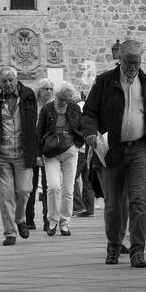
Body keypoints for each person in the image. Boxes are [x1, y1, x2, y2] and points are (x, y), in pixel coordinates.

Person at [80, 38, 146, 268]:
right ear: (120, 60)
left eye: (137, 62)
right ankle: (114, 244)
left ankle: (137, 250)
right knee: (113, 204)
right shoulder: (104, 82)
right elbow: (89, 113)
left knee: (138, 200)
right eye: (129, 63)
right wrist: (91, 133)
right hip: (111, 150)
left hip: (139, 149)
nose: (133, 67)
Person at [0, 66, 39, 246]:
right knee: (5, 195)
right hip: (3, 154)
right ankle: (10, 232)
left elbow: (33, 125)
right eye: (3, 81)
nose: (7, 84)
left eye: (10, 80)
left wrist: (36, 151)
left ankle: (20, 218)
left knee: (24, 191)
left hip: (24, 153)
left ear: (16, 80)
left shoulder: (29, 95)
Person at [37, 80, 85, 236]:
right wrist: (38, 154)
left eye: (66, 99)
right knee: (53, 187)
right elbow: (39, 131)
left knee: (68, 189)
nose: (63, 102)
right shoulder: (47, 109)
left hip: (70, 151)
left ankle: (65, 222)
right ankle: (52, 220)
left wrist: (77, 144)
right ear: (56, 96)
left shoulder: (74, 108)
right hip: (51, 152)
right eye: (61, 99)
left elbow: (81, 126)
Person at [25, 79, 54, 232]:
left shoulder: (53, 107)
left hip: (48, 150)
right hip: (32, 149)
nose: (48, 91)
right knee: (31, 186)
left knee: (48, 186)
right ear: (39, 91)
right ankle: (29, 218)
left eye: (50, 88)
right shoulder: (32, 108)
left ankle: (47, 220)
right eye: (45, 88)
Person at [72, 80, 96, 218]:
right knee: (88, 179)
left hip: (80, 148)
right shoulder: (90, 108)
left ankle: (78, 206)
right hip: (90, 147)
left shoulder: (76, 109)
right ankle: (89, 208)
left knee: (72, 178)